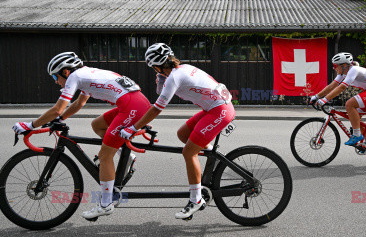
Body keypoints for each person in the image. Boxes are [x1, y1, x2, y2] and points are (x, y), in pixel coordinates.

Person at [12, 52, 151, 220]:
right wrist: (60, 119)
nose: (56, 81)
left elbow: (58, 107)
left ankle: (106, 204)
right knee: (97, 125)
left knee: (105, 156)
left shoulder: (75, 77)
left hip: (132, 107)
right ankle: (126, 156)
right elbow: (79, 103)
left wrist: (30, 125)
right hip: (135, 103)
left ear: (65, 72)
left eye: (55, 76)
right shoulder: (86, 73)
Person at [120, 43, 235, 219]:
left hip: (220, 110)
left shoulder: (174, 77)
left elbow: (157, 108)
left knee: (189, 152)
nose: (153, 71)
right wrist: (161, 80)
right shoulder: (182, 69)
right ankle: (211, 155)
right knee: (183, 134)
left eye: (153, 68)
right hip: (213, 108)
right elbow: (163, 92)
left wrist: (133, 127)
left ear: (157, 65)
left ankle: (196, 200)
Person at [310, 52, 366, 147]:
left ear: (344, 65)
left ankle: (357, 135)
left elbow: (342, 87)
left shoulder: (353, 70)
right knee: (355, 118)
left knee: (349, 104)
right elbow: (332, 86)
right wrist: (316, 97)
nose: (333, 68)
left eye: (335, 65)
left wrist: (325, 100)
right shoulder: (343, 73)